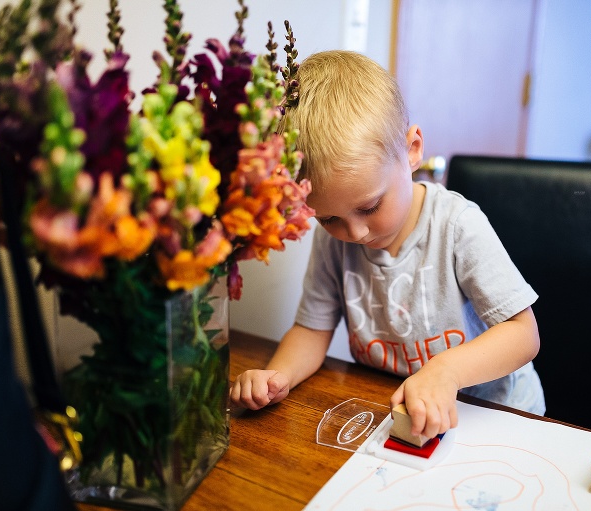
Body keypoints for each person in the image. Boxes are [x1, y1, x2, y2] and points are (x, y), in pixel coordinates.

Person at [229, 50, 545, 440]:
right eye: (328, 218)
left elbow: (523, 334)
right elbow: (311, 331)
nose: (356, 233)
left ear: (412, 151)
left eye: (369, 206)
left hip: (497, 413)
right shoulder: (332, 244)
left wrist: (446, 371)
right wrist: (278, 375)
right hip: (408, 416)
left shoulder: (458, 225)